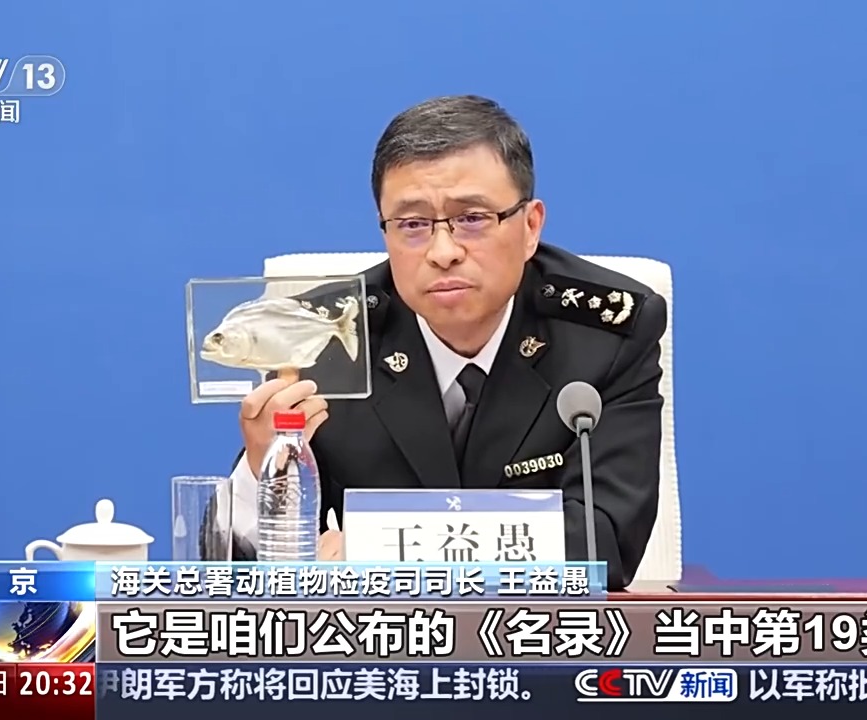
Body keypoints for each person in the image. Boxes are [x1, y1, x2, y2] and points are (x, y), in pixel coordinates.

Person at [219, 95, 666, 590]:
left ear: (530, 226)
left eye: (472, 218)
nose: (443, 251)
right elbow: (245, 572)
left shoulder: (604, 335)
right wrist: (263, 472)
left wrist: (376, 551)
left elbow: (605, 545)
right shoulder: (321, 338)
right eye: (412, 225)